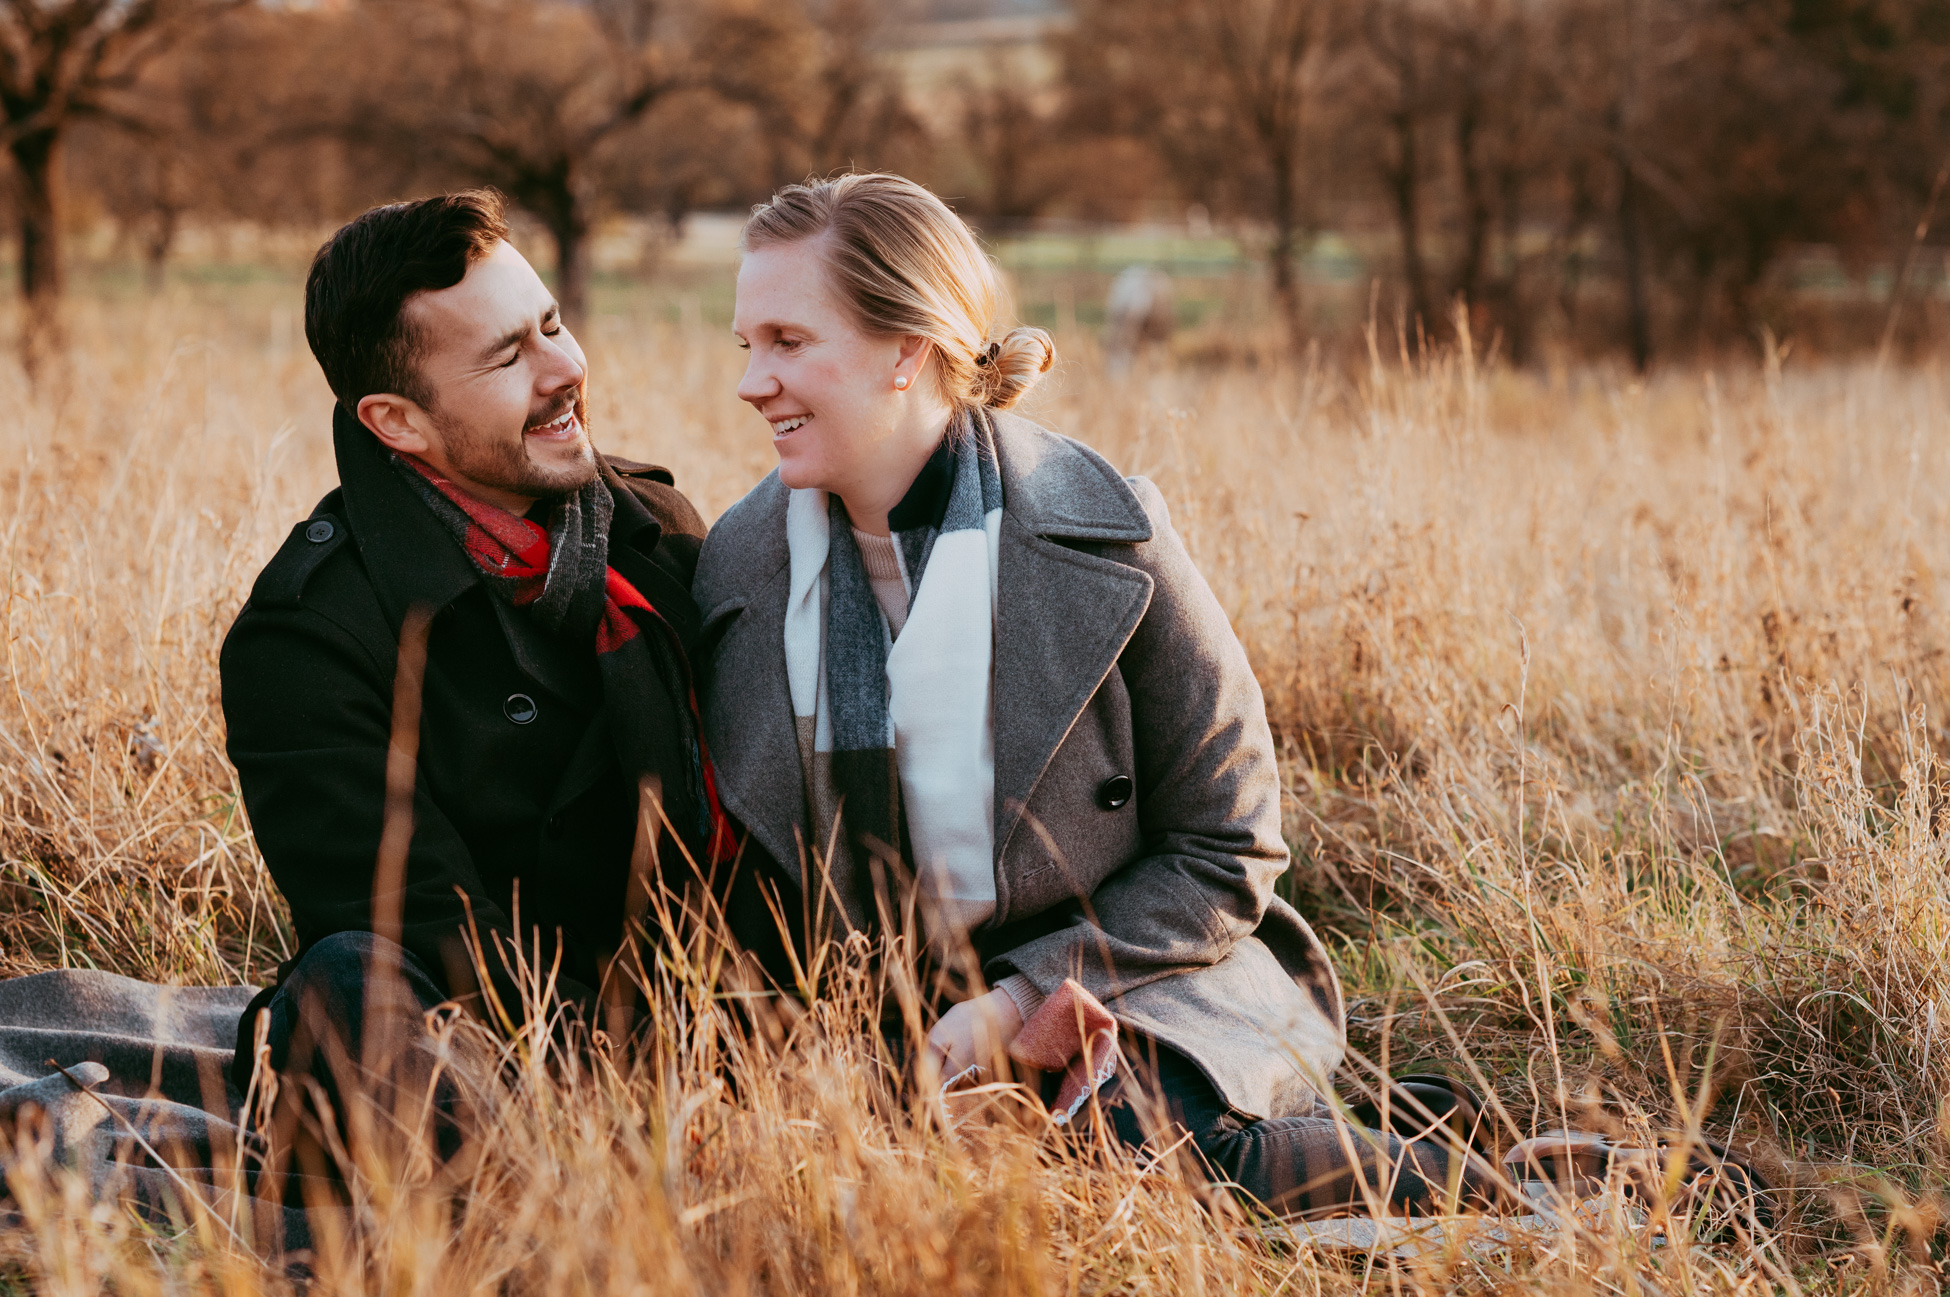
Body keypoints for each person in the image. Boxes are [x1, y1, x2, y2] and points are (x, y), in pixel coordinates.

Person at [694, 173, 1497, 1217]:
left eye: (788, 341)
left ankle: (1553, 1190)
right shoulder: (733, 570)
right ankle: (1395, 1118)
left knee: (1132, 1161)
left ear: (907, 349)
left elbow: (1228, 845)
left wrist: (1024, 996)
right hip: (888, 1028)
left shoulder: (1106, 531)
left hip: (1137, 979)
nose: (754, 381)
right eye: (746, 345)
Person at [221, 190, 742, 1174]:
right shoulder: (307, 635)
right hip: (494, 1046)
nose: (566, 369)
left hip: (701, 1024)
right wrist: (619, 1089)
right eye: (510, 357)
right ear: (398, 421)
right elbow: (429, 930)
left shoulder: (657, 529)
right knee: (348, 993)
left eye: (551, 324)